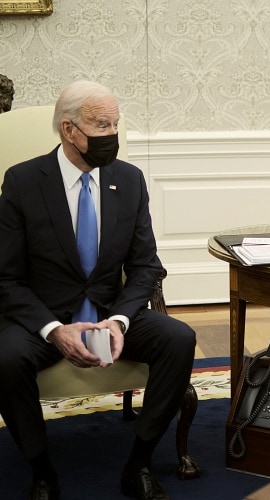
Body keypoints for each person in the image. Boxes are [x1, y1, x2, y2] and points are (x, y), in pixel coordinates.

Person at [0, 81, 196, 500]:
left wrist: (120, 320)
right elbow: (6, 278)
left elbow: (146, 266)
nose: (112, 135)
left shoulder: (129, 180)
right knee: (6, 356)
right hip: (47, 317)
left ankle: (138, 463)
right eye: (101, 125)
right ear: (69, 130)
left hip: (111, 310)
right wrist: (54, 329)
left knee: (179, 338)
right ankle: (42, 473)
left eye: (115, 124)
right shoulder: (22, 182)